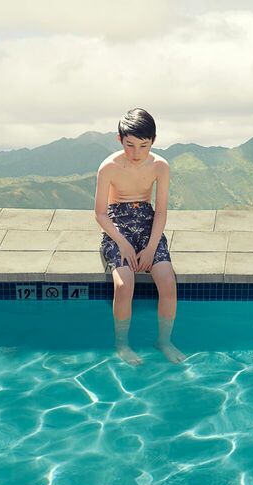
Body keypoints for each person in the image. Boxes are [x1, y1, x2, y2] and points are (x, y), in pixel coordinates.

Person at [94, 108, 185, 365]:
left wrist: (150, 247)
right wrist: (122, 243)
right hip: (116, 225)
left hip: (147, 222)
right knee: (124, 285)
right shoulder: (109, 167)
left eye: (143, 146)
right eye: (130, 145)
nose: (136, 153)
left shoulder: (160, 166)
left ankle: (164, 341)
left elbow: (161, 211)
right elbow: (100, 214)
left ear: (153, 141)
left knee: (167, 281)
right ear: (119, 139)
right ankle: (122, 344)